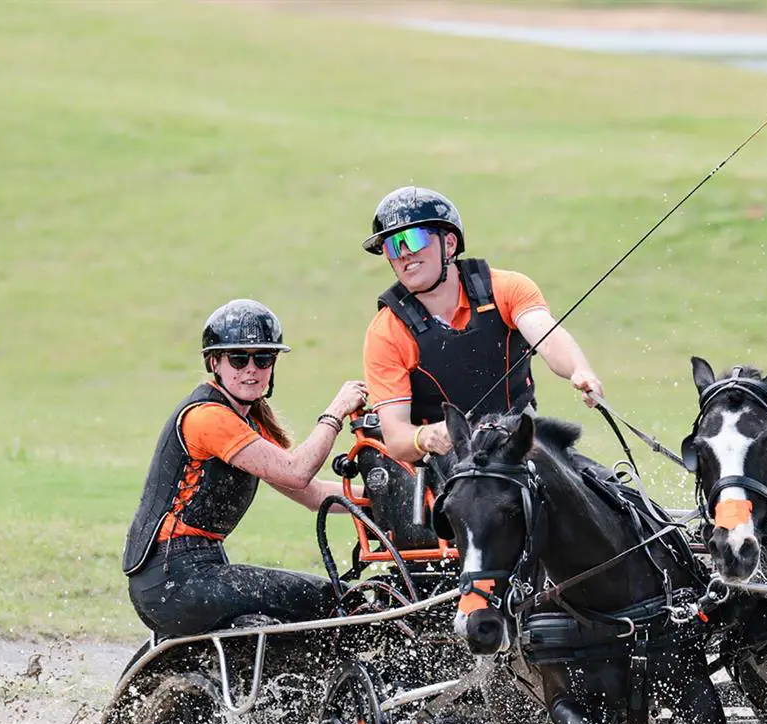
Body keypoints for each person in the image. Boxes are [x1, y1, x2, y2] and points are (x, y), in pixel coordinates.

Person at [122, 299, 367, 637]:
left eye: (263, 359)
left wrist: (379, 500)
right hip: (174, 580)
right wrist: (336, 411)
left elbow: (311, 494)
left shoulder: (248, 422)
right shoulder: (209, 417)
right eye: (239, 358)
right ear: (215, 363)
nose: (251, 368)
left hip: (195, 573)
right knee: (332, 599)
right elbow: (297, 472)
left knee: (325, 604)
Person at [360, 186, 605, 466]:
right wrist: (425, 437)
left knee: (603, 486)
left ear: (449, 244)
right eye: (392, 246)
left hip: (520, 443)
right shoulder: (386, 331)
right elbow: (396, 439)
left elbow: (547, 337)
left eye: (413, 239)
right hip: (445, 463)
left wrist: (579, 369)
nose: (404, 253)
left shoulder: (508, 288)